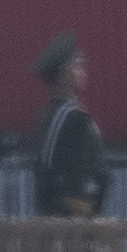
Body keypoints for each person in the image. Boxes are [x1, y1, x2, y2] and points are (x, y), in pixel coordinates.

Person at [29, 31, 109, 218]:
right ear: (65, 75)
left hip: (81, 213)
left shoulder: (67, 115)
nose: (82, 73)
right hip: (70, 217)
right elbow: (52, 170)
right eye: (77, 67)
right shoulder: (67, 118)